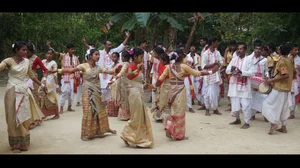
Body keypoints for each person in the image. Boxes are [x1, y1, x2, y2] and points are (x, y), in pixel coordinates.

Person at [156, 49, 219, 140]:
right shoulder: (184, 66)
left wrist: (156, 86)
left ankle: (170, 126)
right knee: (180, 111)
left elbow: (160, 79)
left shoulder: (169, 67)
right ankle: (177, 133)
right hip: (180, 91)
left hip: (171, 92)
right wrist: (211, 72)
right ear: (181, 57)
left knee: (173, 110)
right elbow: (198, 73)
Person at [54, 49, 117, 141]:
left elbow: (109, 72)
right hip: (87, 91)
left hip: (97, 92)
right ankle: (85, 133)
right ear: (91, 56)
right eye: (96, 54)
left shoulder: (99, 67)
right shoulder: (83, 66)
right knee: (88, 111)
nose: (98, 56)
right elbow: (71, 70)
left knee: (100, 110)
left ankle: (106, 129)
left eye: (99, 55)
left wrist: (121, 68)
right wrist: (57, 70)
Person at [0, 41, 45, 153]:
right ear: (16, 50)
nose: (26, 52)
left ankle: (24, 142)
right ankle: (15, 144)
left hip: (24, 91)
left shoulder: (26, 62)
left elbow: (31, 75)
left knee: (23, 116)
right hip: (12, 91)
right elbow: (1, 67)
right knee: (12, 117)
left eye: (26, 50)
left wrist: (41, 84)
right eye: (23, 50)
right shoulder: (8, 61)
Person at [120, 48, 154, 148]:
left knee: (140, 116)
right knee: (136, 116)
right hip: (134, 93)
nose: (142, 59)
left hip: (139, 91)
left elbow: (139, 80)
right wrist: (137, 69)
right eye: (141, 57)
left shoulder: (137, 66)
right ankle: (126, 134)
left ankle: (138, 138)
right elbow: (128, 75)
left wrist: (148, 84)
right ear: (135, 57)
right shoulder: (131, 65)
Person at [262, 44, 294, 135]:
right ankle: (284, 127)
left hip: (280, 88)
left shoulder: (282, 61)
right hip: (286, 87)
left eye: (279, 49)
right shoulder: (289, 60)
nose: (278, 50)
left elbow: (285, 75)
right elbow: (291, 73)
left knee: (268, 104)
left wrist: (271, 80)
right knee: (283, 107)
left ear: (280, 51)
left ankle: (273, 123)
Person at [227, 42, 255, 129]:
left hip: (245, 85)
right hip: (235, 85)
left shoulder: (249, 60)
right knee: (235, 103)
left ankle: (247, 122)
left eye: (241, 49)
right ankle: (237, 119)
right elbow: (227, 70)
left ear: (245, 50)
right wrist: (231, 70)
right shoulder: (234, 59)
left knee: (245, 104)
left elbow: (252, 72)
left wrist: (241, 72)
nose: (239, 50)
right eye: (238, 49)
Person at [97, 31, 130, 104]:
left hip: (112, 73)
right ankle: (103, 104)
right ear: (104, 45)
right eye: (108, 45)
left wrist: (127, 37)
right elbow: (91, 50)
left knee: (111, 89)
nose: (110, 46)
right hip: (103, 74)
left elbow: (121, 46)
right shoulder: (99, 53)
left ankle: (109, 105)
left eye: (110, 45)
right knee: (103, 90)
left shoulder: (113, 51)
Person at [48, 43, 80, 113]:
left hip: (73, 77)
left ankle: (69, 107)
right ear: (68, 50)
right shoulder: (63, 56)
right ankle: (61, 107)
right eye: (72, 49)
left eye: (73, 49)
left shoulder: (75, 58)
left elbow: (78, 67)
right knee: (65, 91)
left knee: (72, 93)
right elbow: (55, 53)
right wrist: (50, 46)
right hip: (65, 76)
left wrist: (78, 76)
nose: (73, 50)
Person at [26, 42, 48, 129]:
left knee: (34, 99)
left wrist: (44, 79)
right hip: (23, 80)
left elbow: (45, 70)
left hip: (33, 80)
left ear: (32, 51)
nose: (26, 53)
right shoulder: (22, 58)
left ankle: (35, 119)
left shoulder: (36, 58)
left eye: (28, 52)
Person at [201, 37, 223, 116]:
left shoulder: (217, 53)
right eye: (216, 42)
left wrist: (219, 65)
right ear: (212, 43)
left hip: (216, 75)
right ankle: (207, 109)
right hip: (208, 76)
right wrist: (214, 64)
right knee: (207, 93)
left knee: (216, 92)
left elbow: (221, 62)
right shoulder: (205, 53)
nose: (217, 44)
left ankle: (215, 109)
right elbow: (203, 66)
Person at [39, 48, 60, 120]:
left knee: (52, 97)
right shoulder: (43, 61)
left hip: (51, 82)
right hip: (44, 81)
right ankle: (44, 113)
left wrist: (57, 86)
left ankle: (56, 114)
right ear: (45, 54)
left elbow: (55, 75)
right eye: (47, 53)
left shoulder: (54, 63)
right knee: (43, 96)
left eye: (50, 54)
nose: (49, 55)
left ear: (53, 55)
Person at [114, 51, 131, 121]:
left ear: (123, 57)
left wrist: (117, 76)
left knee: (124, 98)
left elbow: (122, 71)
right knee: (126, 98)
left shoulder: (125, 64)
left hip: (124, 83)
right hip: (127, 82)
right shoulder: (129, 64)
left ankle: (125, 115)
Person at [107, 52, 122, 117]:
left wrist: (111, 81)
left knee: (116, 96)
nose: (113, 58)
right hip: (114, 81)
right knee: (112, 96)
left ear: (118, 58)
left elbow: (118, 75)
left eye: (115, 57)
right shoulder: (113, 65)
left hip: (117, 82)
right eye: (112, 57)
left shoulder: (119, 65)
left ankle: (116, 112)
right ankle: (112, 112)